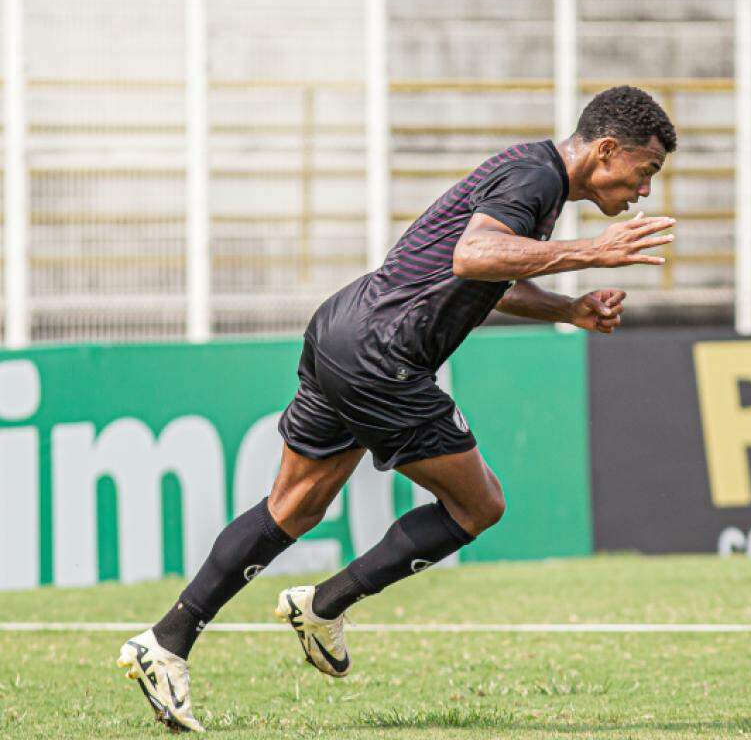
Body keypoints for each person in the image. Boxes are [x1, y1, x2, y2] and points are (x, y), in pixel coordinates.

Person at [117, 85, 678, 732]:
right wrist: (591, 254)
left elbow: (477, 275)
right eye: (647, 171)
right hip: (385, 356)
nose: (644, 191)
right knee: (480, 505)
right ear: (607, 151)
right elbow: (476, 256)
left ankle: (166, 642)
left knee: (294, 505)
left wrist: (564, 308)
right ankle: (325, 604)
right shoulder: (533, 178)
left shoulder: (531, 172)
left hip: (343, 329)